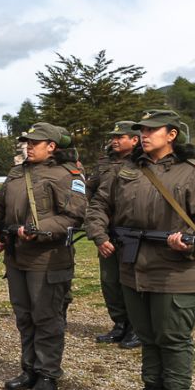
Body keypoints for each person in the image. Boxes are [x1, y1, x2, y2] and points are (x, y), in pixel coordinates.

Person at [86, 110, 195, 390]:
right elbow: (99, 205)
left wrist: (190, 243)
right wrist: (100, 233)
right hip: (134, 268)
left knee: (173, 339)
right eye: (141, 130)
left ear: (172, 134)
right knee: (148, 337)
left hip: (176, 271)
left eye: (152, 130)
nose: (144, 135)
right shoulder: (126, 170)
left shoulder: (193, 173)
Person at [0, 122, 86, 390]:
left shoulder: (67, 174)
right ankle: (29, 369)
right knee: (24, 316)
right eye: (26, 142)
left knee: (47, 317)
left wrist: (40, 230)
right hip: (16, 256)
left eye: (34, 142)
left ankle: (48, 374)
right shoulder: (17, 172)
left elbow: (74, 216)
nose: (28, 146)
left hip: (47, 258)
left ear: (51, 146)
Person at [86, 121, 141, 348]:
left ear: (134, 140)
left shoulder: (142, 163)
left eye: (121, 136)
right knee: (110, 281)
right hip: (107, 229)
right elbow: (91, 189)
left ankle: (136, 328)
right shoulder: (104, 162)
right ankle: (120, 324)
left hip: (133, 231)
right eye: (114, 137)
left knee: (131, 281)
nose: (115, 140)